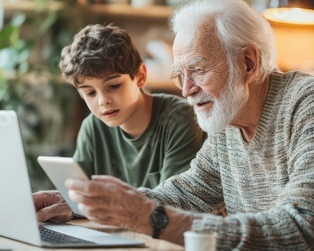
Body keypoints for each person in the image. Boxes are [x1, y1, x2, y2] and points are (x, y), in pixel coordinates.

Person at [64, 0, 314, 250]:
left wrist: (153, 219)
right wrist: (85, 202)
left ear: (247, 63)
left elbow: (304, 230)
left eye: (198, 70)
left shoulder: (313, 101)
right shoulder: (227, 121)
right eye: (179, 76)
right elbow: (186, 193)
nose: (186, 90)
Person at [32, 24, 205, 223]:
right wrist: (71, 204)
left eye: (113, 86)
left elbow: (176, 204)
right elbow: (81, 200)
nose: (103, 100)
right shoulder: (92, 127)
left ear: (140, 77)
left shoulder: (179, 118)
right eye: (90, 92)